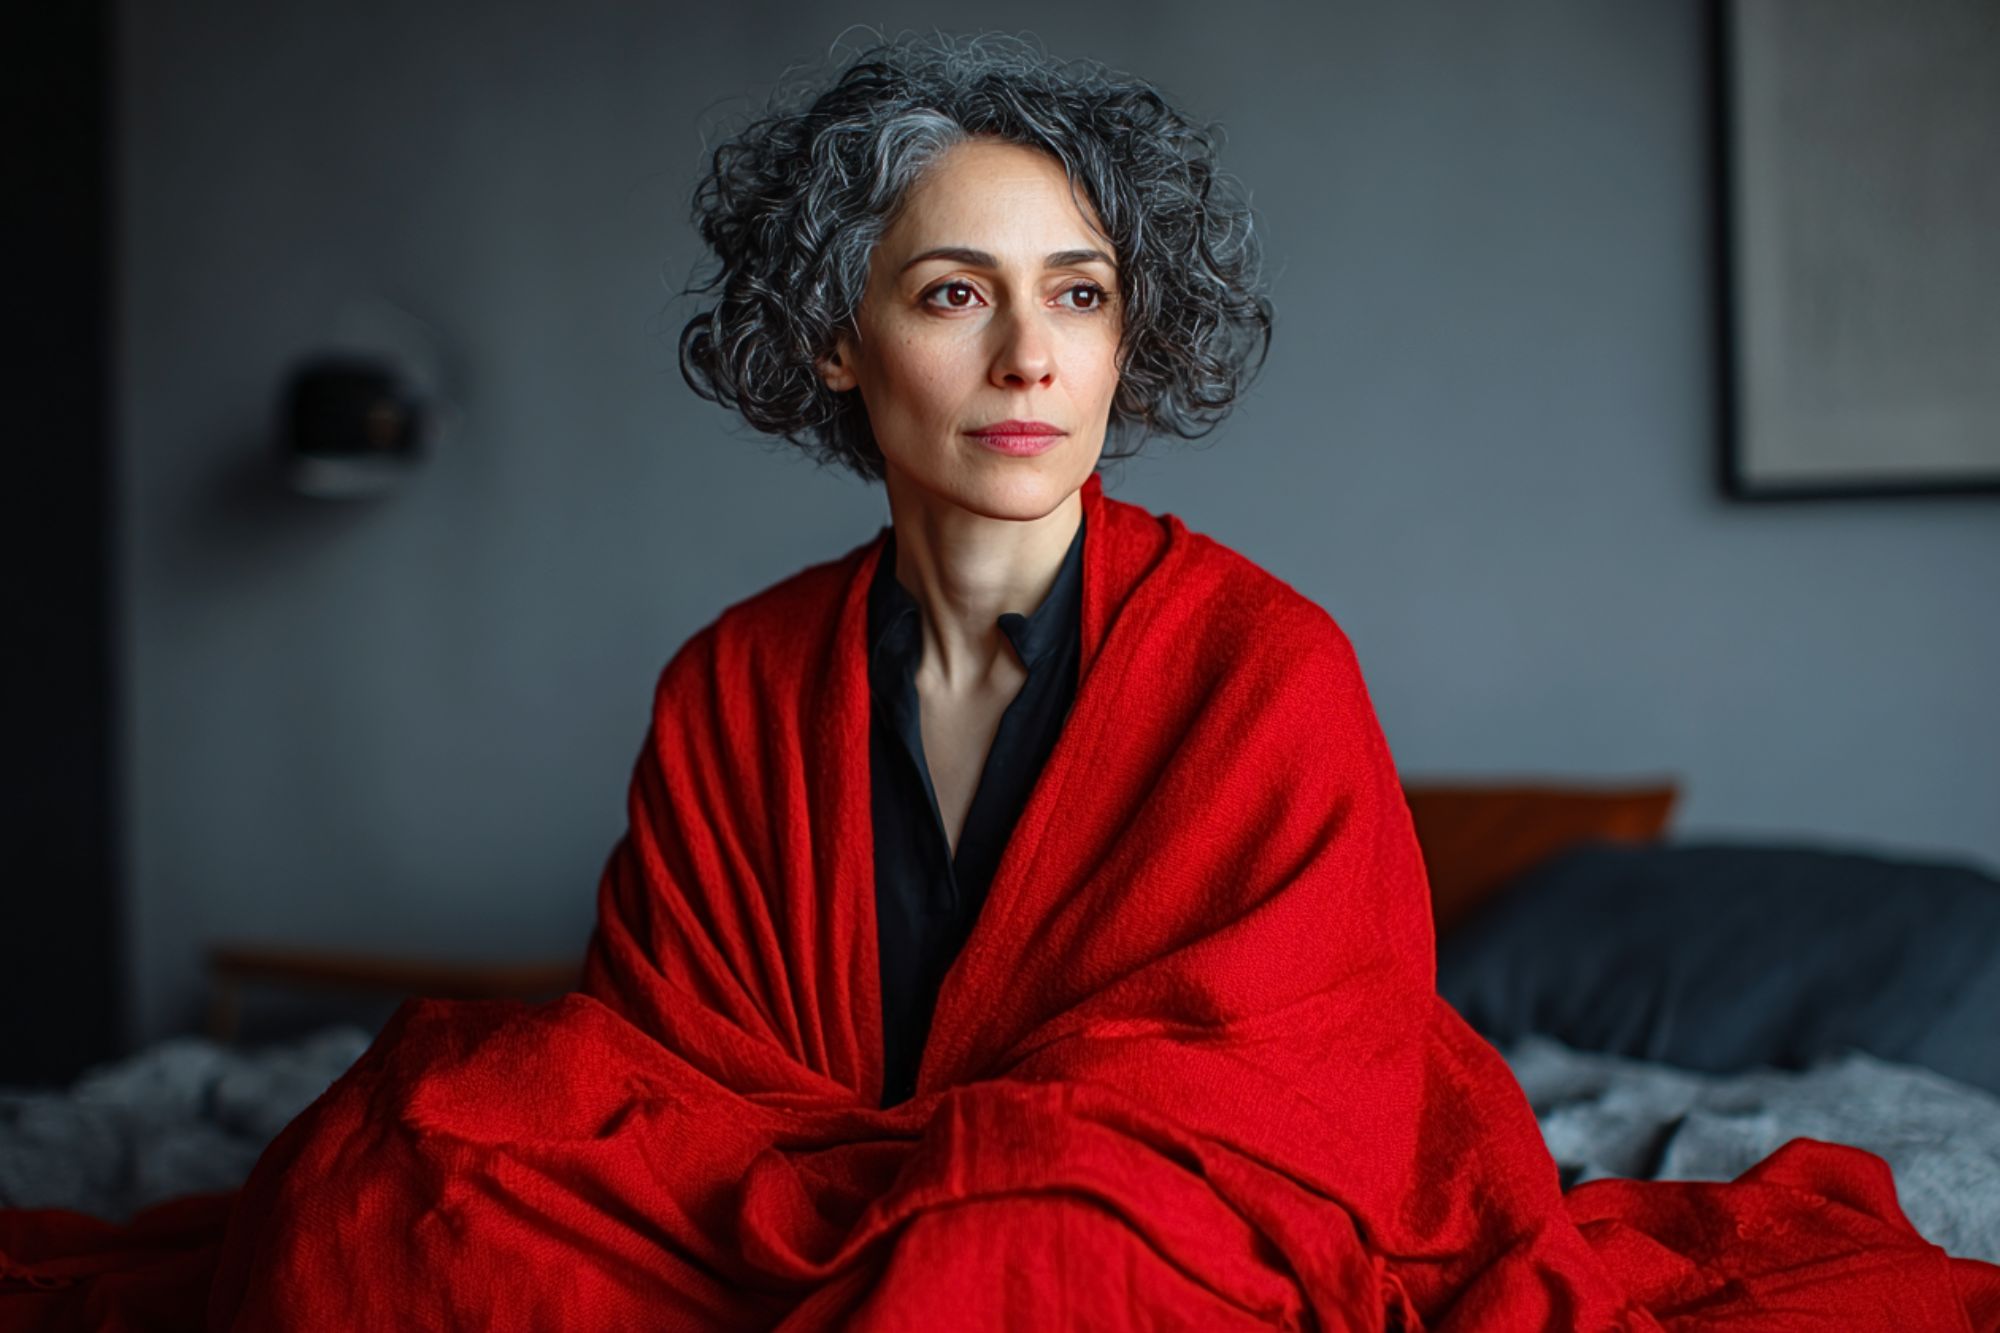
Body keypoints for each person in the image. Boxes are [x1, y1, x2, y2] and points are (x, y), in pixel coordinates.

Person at [5, 30, 1996, 1333]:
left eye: (1080, 295)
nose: (1030, 356)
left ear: (1134, 341)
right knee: (390, 1163)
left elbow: (1301, 1097)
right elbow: (666, 1069)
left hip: (1153, 1211)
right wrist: (842, 1185)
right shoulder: (731, 682)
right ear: (836, 345)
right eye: (954, 293)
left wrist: (979, 1174)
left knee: (1009, 1253)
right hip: (787, 1193)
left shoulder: (1267, 667)